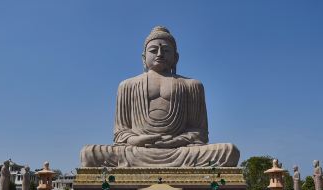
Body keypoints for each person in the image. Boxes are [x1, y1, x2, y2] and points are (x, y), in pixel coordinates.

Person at [81, 26, 239, 167]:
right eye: (153, 50)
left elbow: (199, 133)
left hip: (180, 151)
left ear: (176, 57)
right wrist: (137, 140)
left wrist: (175, 141)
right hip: (138, 150)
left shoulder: (192, 85)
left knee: (229, 151)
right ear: (144, 58)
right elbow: (121, 133)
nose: (159, 54)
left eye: (166, 50)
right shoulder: (127, 85)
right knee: (89, 154)